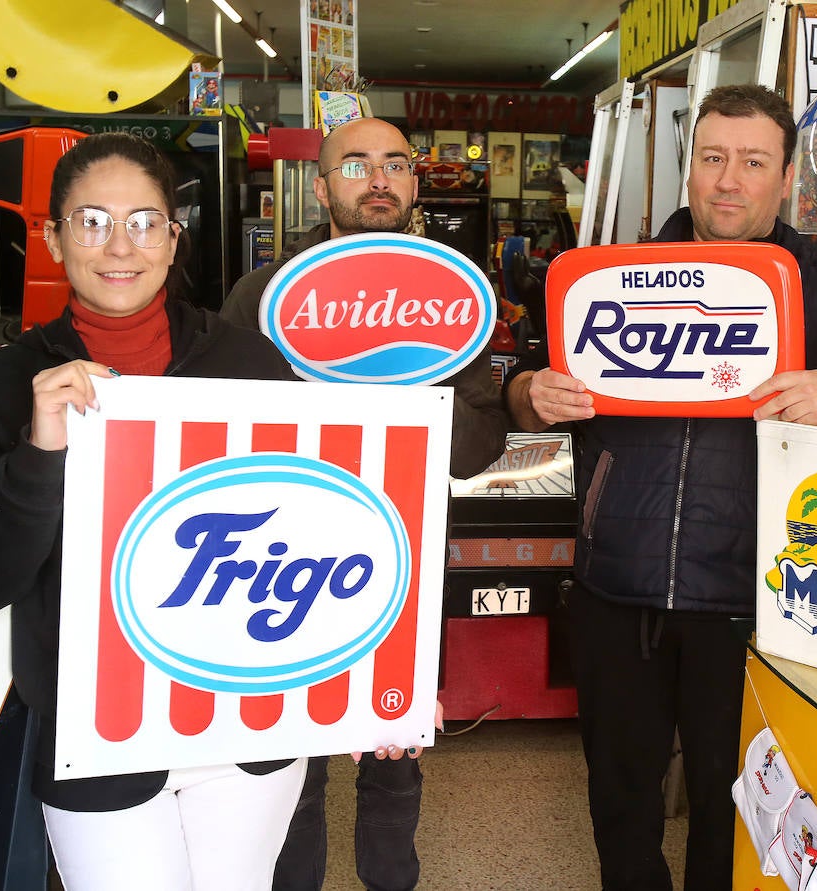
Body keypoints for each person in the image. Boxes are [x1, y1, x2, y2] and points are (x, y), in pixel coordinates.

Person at [505, 84, 817, 891]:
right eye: (713, 158)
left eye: (753, 162)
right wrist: (533, 394)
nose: (729, 179)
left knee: (733, 810)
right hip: (615, 586)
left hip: (753, 602)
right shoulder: (610, 278)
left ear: (786, 178)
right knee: (619, 803)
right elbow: (528, 386)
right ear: (690, 169)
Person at [0, 132, 307, 891]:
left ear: (174, 237)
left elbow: (314, 534)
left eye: (143, 221)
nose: (118, 245)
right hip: (96, 735)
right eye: (91, 220)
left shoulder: (252, 365)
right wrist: (38, 452)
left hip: (247, 723)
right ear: (52, 235)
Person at [221, 115, 507, 891]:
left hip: (405, 560)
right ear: (321, 186)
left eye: (394, 164)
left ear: (414, 183)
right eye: (356, 165)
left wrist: (418, 402)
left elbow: (481, 441)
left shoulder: (452, 298)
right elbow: (215, 439)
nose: (378, 179)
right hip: (278, 565)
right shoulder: (262, 296)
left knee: (396, 755)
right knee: (290, 765)